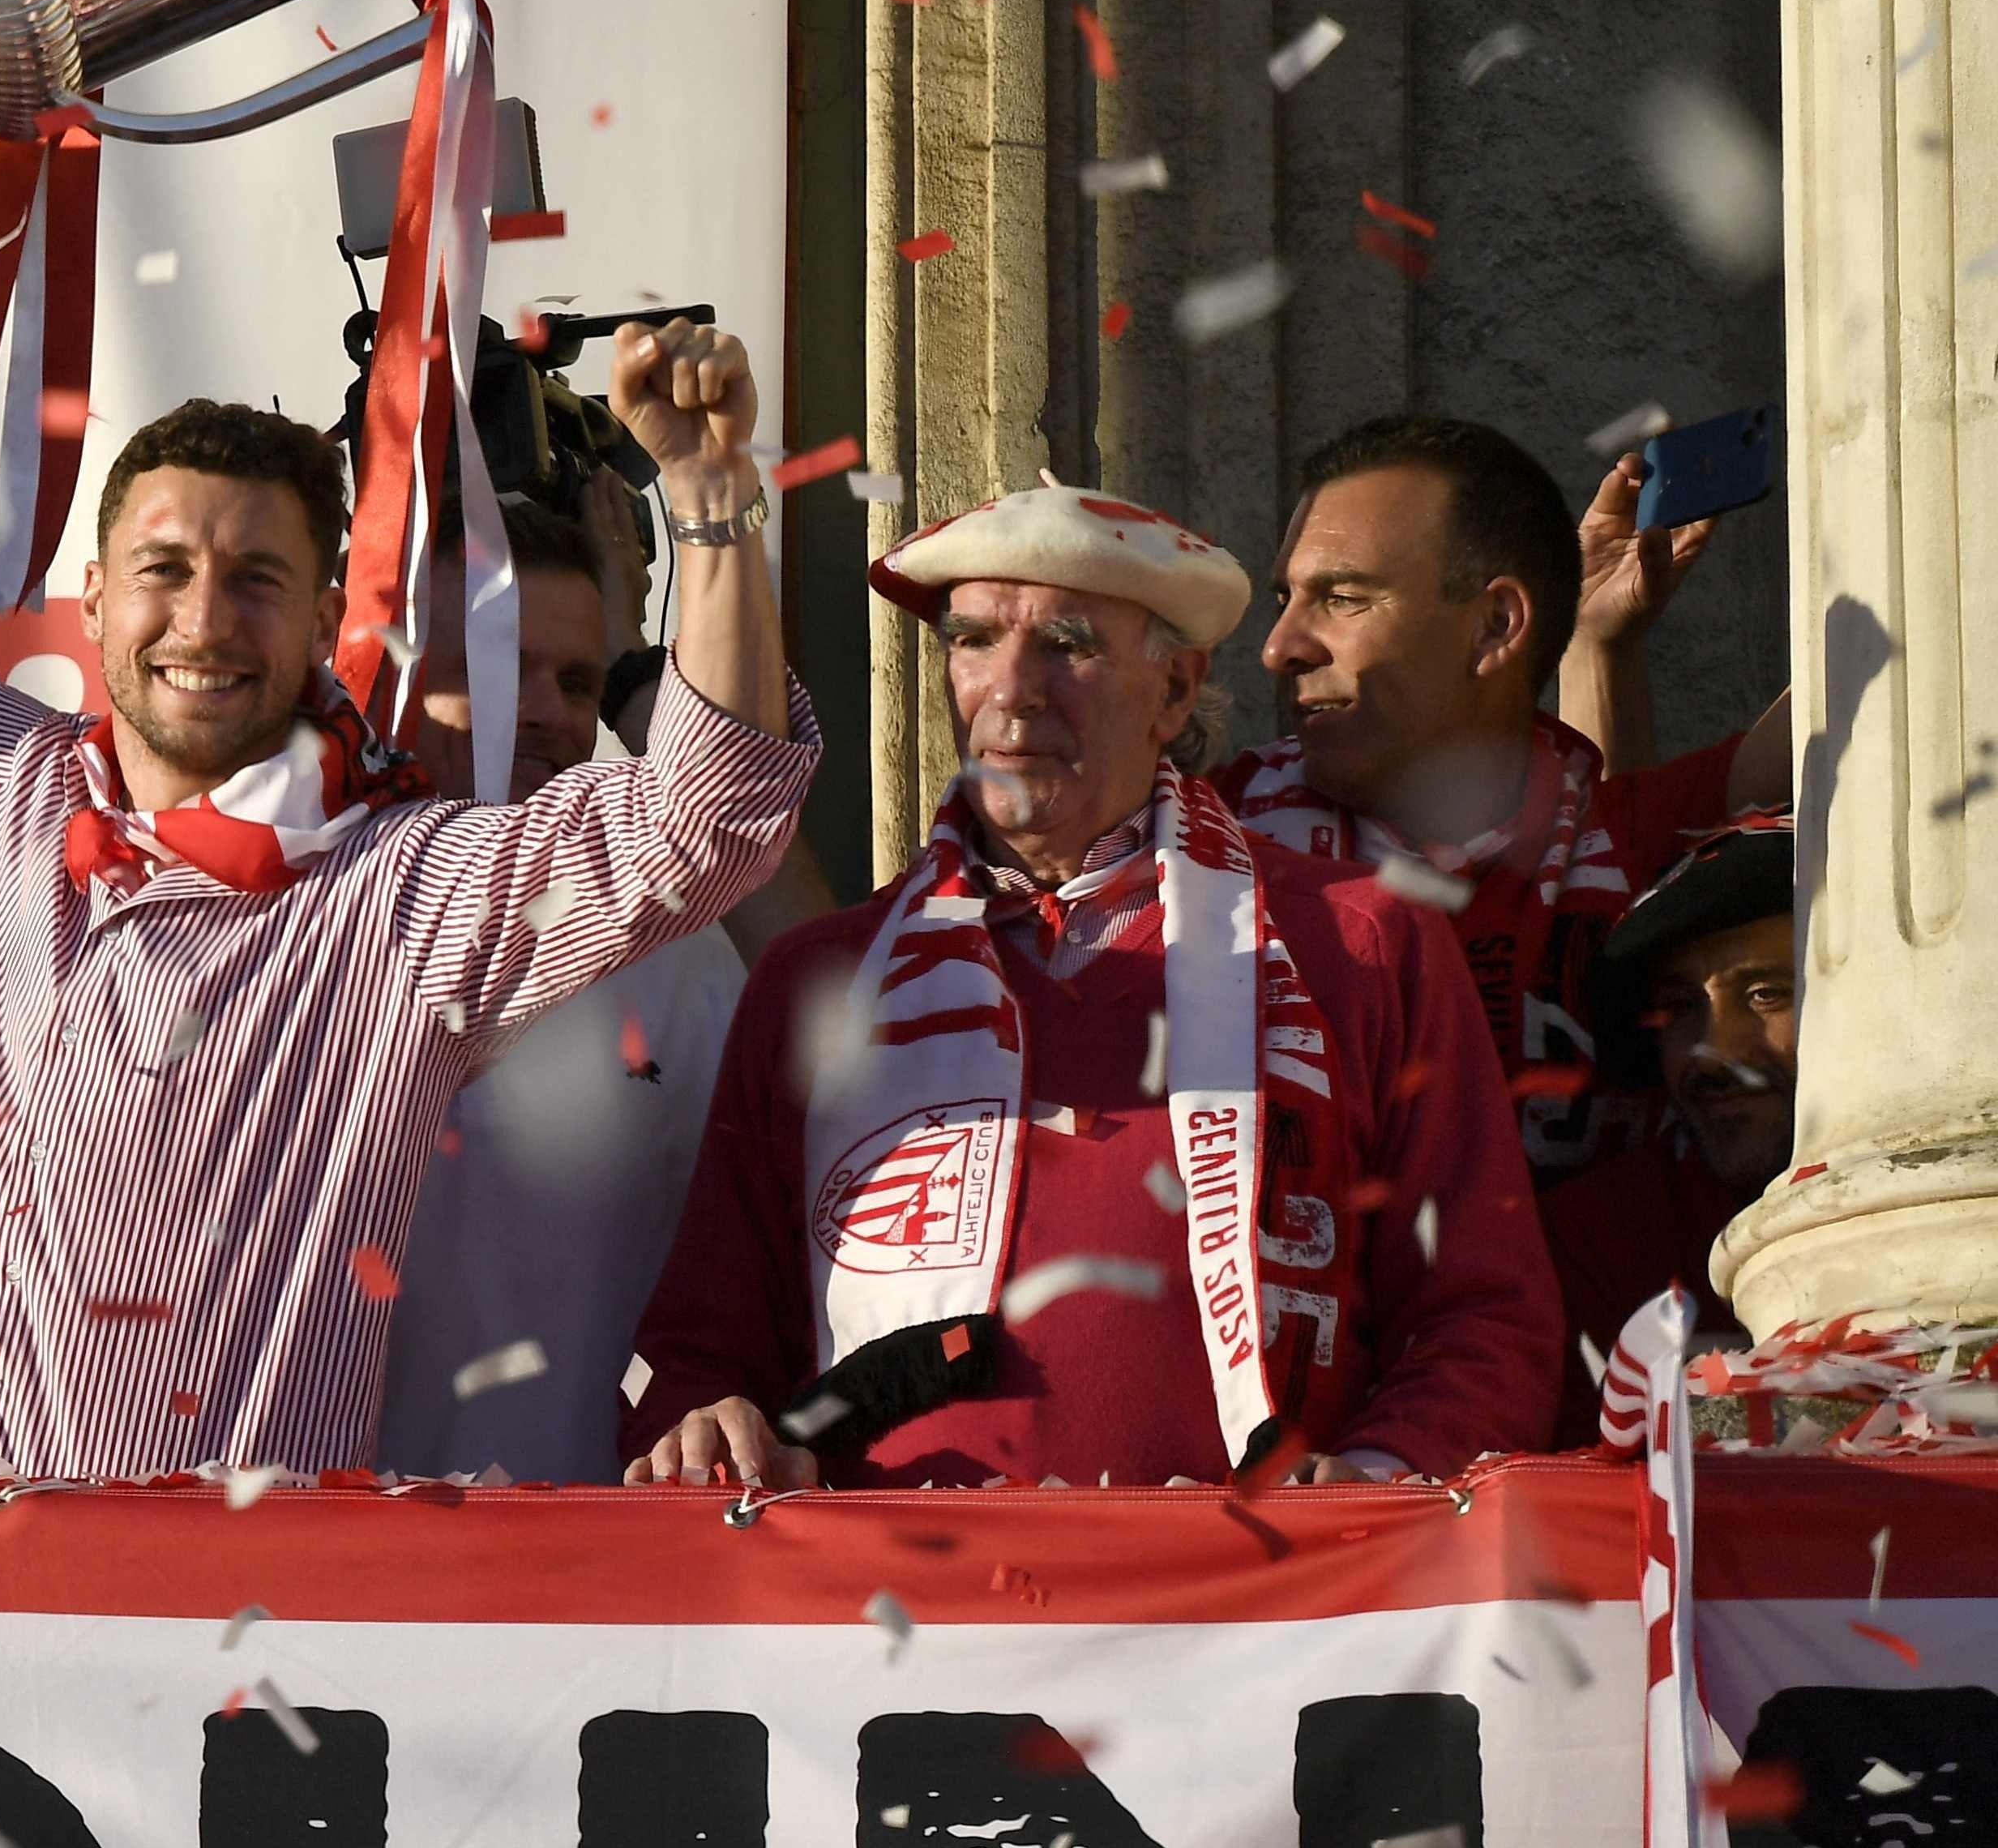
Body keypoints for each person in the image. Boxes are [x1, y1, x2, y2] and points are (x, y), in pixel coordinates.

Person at [0, 194, 818, 1483]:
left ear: (323, 618)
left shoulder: (406, 892)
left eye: (257, 581)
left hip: (213, 1641)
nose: (204, 621)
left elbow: (712, 815)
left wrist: (710, 506)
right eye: (163, 570)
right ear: (92, 601)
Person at [625, 485, 1564, 1491]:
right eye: (974, 640)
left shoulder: (1363, 942)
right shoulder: (817, 978)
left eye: (1067, 643)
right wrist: (706, 1427)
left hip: (1268, 1619)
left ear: (1175, 690)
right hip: (895, 1622)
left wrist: (1379, 1482)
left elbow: (1486, 1320)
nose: (1012, 689)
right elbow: (702, 1351)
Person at [1226, 416, 1793, 1177]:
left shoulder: (1621, 836)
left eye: (1345, 598)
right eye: (1286, 598)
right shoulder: (1200, 831)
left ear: (1496, 624)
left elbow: (1873, 693)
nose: (1279, 647)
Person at [375, 494, 748, 1482]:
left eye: (577, 679)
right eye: (497, 670)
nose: (542, 708)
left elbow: (747, 1273)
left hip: (596, 1567)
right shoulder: (289, 919)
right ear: (391, 678)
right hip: (327, 1561)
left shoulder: (686, 956)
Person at [1541, 815, 1794, 1435]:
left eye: (1766, 994)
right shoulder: (1600, 1237)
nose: (1712, 1051)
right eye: (1681, 1008)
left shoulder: (1967, 1192)